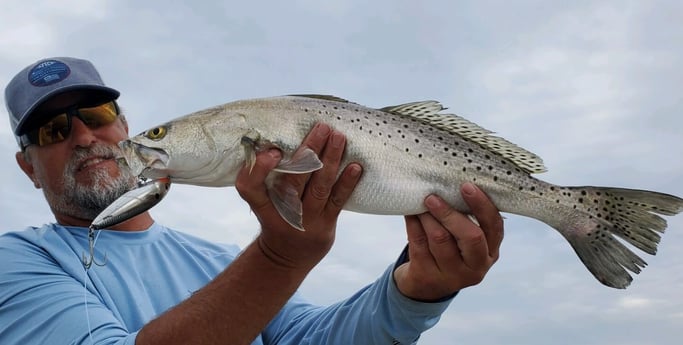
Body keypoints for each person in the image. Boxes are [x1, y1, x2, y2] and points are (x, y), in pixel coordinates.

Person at [0, 57, 504, 345]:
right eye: (52, 129)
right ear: (28, 168)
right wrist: (280, 257)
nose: (85, 136)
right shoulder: (16, 263)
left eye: (97, 112)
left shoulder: (219, 262)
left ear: (124, 127)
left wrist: (415, 290)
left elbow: (311, 340)